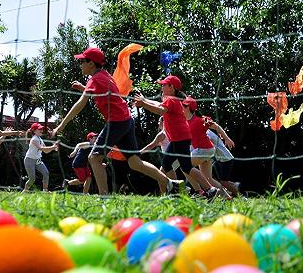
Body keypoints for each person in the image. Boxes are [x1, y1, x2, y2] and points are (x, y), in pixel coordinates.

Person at [50, 47, 172, 195]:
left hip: (116, 122)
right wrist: (83, 88)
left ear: (91, 64)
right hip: (126, 120)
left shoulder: (95, 78)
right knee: (135, 163)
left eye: (82, 61)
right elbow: (103, 93)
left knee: (94, 158)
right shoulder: (104, 75)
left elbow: (80, 104)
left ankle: (104, 197)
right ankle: (171, 183)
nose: (80, 64)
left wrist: (61, 126)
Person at [133, 75, 221, 199]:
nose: (162, 87)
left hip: (180, 139)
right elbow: (158, 105)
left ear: (171, 87)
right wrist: (145, 100)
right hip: (179, 138)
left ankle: (201, 189)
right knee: (175, 165)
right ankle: (185, 190)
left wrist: (143, 104)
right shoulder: (174, 99)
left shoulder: (171, 100)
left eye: (164, 84)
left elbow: (160, 111)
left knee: (179, 166)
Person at [181, 96, 231, 199]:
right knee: (209, 179)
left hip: (205, 150)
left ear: (187, 107)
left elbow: (216, 126)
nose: (180, 108)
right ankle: (227, 197)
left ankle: (199, 192)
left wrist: (226, 138)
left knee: (184, 166)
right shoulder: (184, 121)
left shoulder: (200, 120)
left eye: (182, 106)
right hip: (204, 151)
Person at [23, 122, 59, 192]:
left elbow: (46, 151)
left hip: (37, 160)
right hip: (29, 160)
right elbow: (41, 148)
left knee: (46, 173)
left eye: (41, 129)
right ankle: (25, 191)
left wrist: (53, 148)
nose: (41, 130)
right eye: (39, 129)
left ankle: (45, 191)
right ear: (34, 131)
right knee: (32, 179)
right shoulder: (34, 139)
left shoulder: (40, 139)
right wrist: (53, 147)